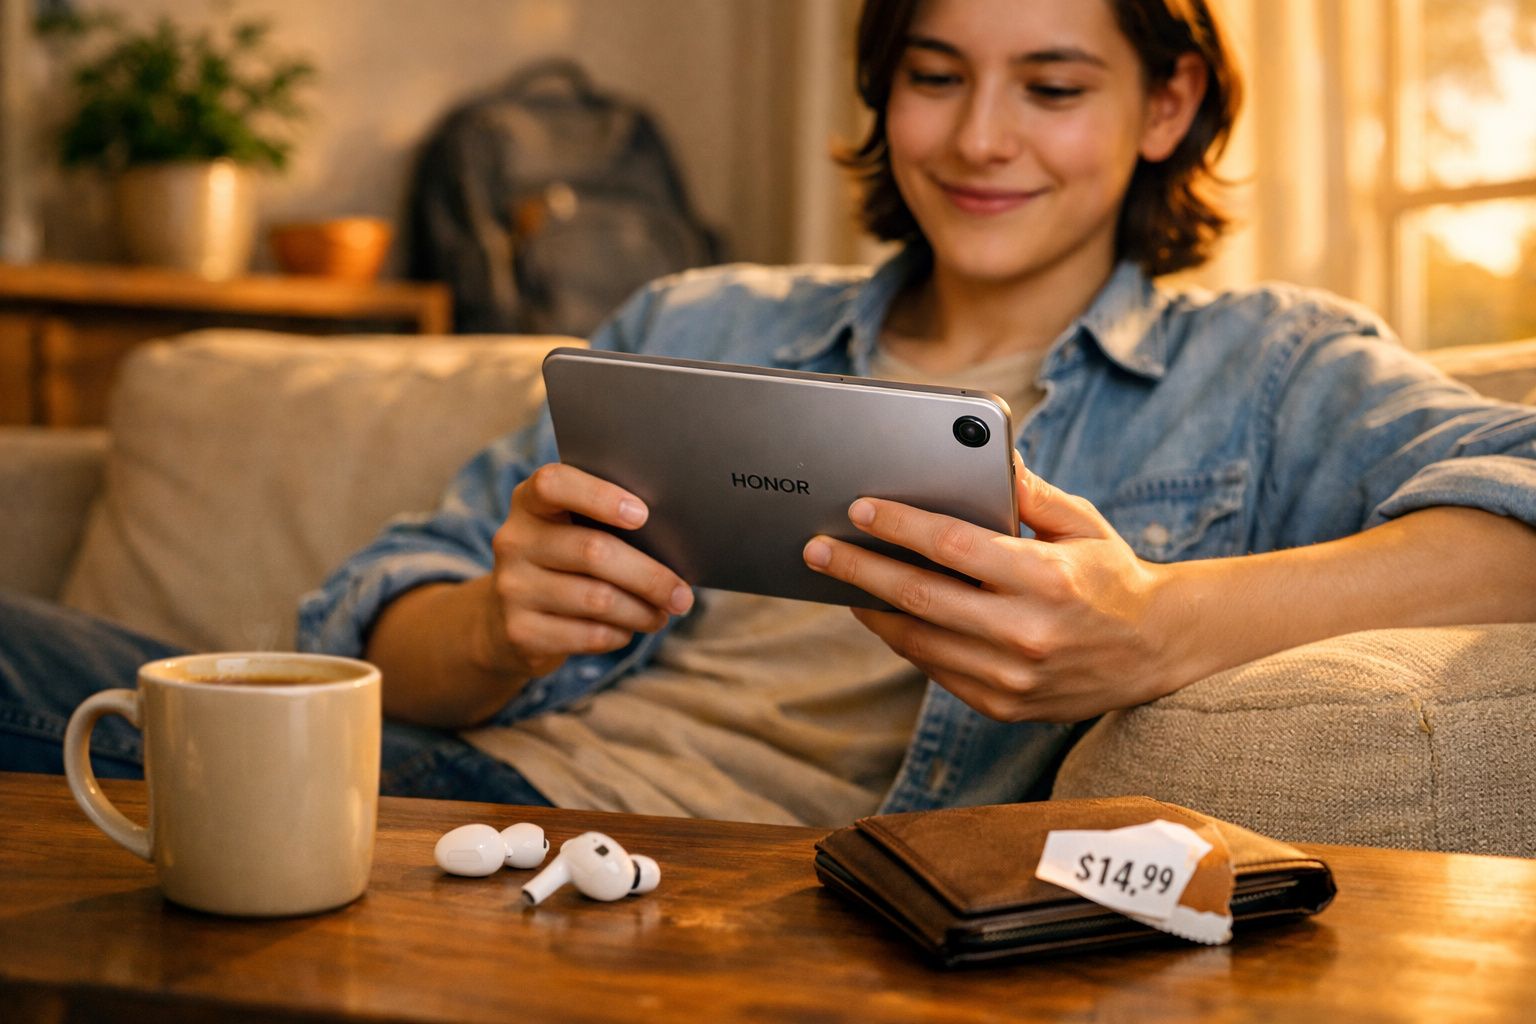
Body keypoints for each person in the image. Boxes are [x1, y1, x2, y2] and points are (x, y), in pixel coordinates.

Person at [5, 0, 1536, 825]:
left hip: (742, 875)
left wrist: (1156, 626)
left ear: (1167, 104)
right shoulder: (700, 320)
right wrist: (498, 623)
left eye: (1054, 86)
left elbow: (1518, 507)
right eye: (934, 75)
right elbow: (372, 624)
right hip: (455, 793)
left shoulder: (1262, 368)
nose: (980, 138)